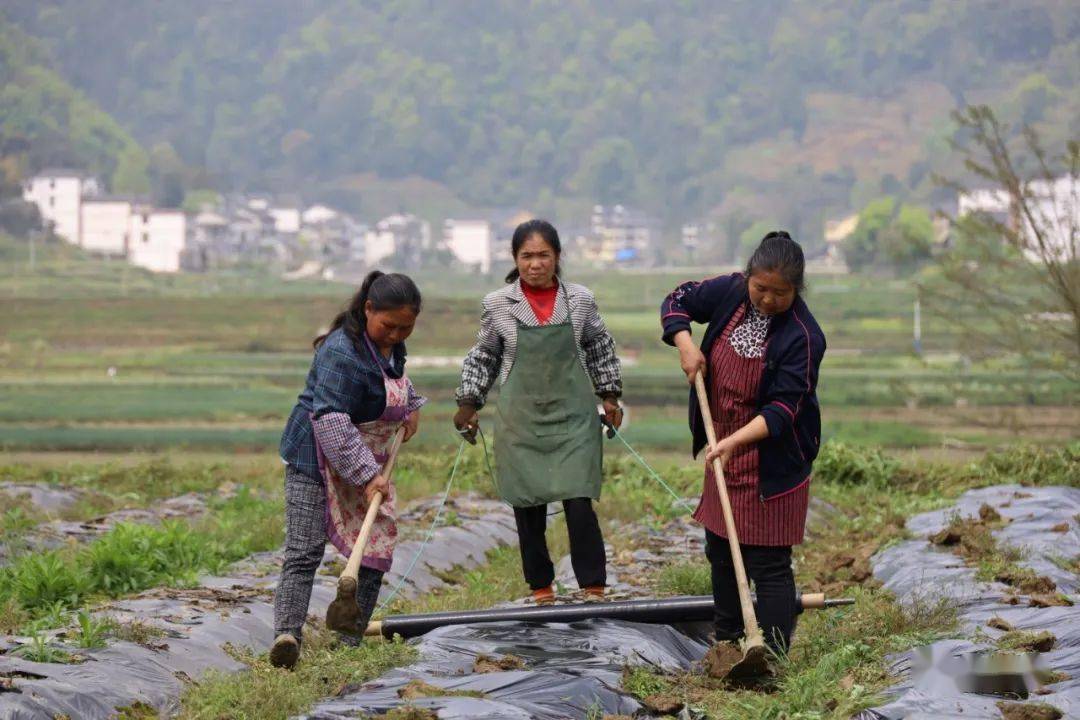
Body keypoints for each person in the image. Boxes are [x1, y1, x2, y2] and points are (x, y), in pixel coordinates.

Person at [660, 231, 826, 655]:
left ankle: (771, 654)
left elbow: (783, 411)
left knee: (768, 562)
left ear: (798, 289)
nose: (767, 300)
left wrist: (736, 441)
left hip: (771, 457)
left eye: (780, 293)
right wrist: (685, 344)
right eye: (761, 288)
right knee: (719, 547)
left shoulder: (805, 337)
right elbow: (677, 301)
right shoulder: (731, 291)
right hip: (722, 444)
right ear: (749, 277)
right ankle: (730, 643)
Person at [454, 219, 623, 604]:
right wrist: (468, 403)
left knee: (579, 499)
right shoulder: (497, 304)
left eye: (543, 255)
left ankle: (593, 588)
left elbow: (599, 347)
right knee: (527, 503)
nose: (535, 264)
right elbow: (484, 355)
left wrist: (610, 396)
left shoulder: (579, 300)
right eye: (527, 256)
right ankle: (541, 589)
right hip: (521, 420)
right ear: (515, 259)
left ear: (557, 257)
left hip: (574, 417)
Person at [272, 271, 425, 669]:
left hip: (364, 459)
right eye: (388, 326)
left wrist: (410, 409)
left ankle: (347, 642)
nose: (395, 335)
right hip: (315, 455)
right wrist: (366, 475)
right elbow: (330, 419)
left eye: (405, 328)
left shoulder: (391, 346)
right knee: (304, 551)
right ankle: (287, 636)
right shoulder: (341, 351)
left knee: (373, 551)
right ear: (368, 309)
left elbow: (396, 382)